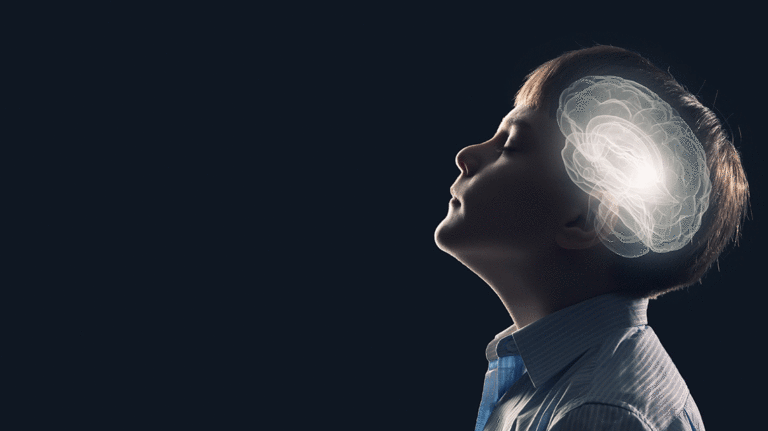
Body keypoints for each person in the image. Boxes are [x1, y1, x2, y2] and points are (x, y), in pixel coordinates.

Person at [434, 45, 749, 430]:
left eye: (511, 145)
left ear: (584, 219)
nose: (466, 155)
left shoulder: (598, 411)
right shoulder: (558, 383)